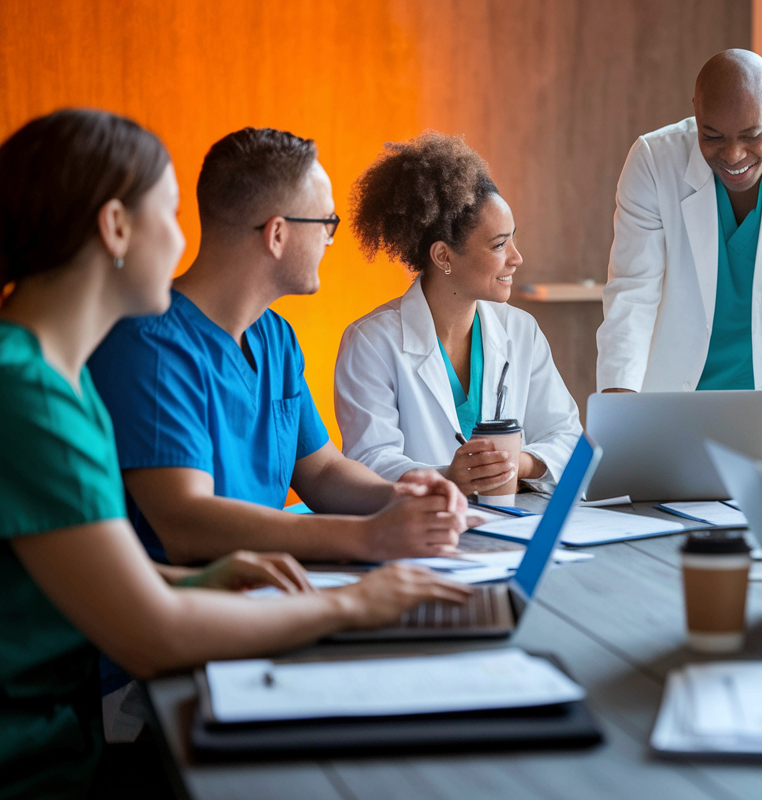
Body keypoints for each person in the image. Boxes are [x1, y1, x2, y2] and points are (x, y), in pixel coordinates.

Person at [0, 108, 471, 800]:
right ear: (116, 228)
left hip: (63, 736)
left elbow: (113, 573)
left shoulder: (54, 379)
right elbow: (150, 634)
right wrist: (357, 601)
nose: (186, 237)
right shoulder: (31, 394)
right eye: (170, 214)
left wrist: (203, 578)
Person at [87, 127, 469, 567]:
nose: (331, 240)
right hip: (192, 606)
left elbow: (322, 472)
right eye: (326, 223)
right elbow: (186, 524)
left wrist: (404, 497)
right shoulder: (148, 346)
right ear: (277, 235)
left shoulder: (276, 337)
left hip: (266, 582)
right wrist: (366, 537)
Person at [595, 49, 762, 442]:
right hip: (674, 403)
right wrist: (618, 429)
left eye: (752, 135)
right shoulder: (654, 161)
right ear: (695, 112)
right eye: (713, 136)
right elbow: (631, 298)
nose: (734, 155)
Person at [334, 132, 581, 495]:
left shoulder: (522, 330)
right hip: (420, 530)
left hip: (517, 522)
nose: (517, 258)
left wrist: (516, 463)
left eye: (513, 238)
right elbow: (368, 461)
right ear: (443, 256)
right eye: (499, 244)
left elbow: (569, 439)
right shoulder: (372, 342)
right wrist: (448, 476)